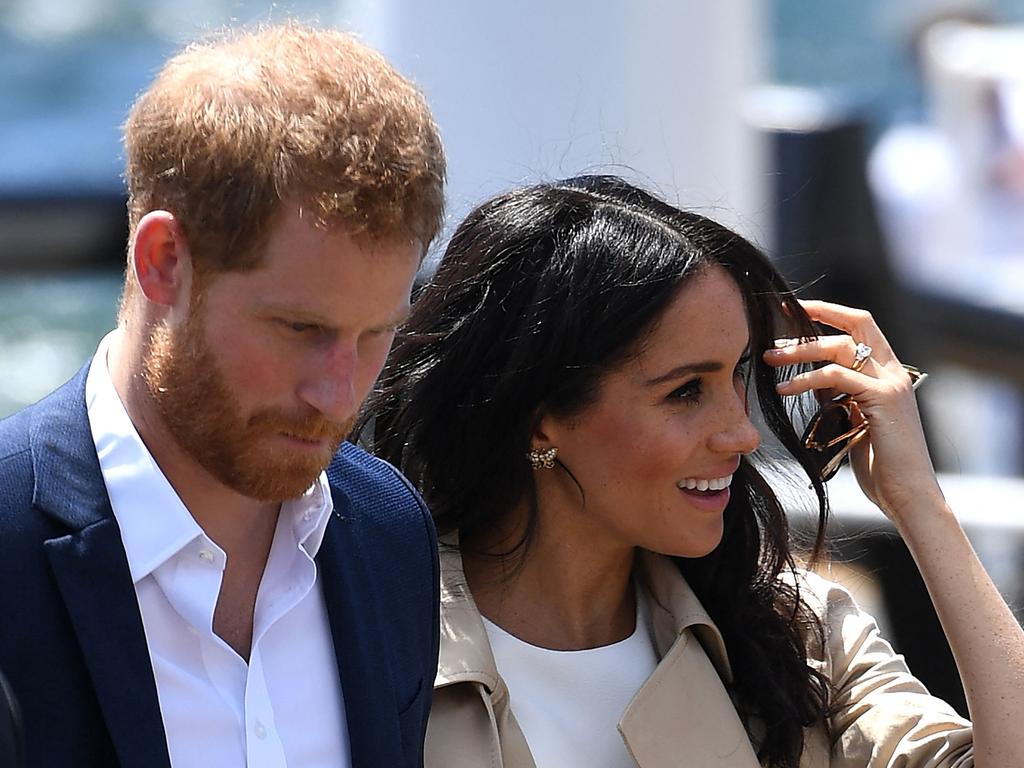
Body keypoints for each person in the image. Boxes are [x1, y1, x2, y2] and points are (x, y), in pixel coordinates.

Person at [364, 175, 1024, 767]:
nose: (741, 432)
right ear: (540, 417)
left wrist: (918, 503)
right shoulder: (370, 636)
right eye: (685, 392)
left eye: (738, 376)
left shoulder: (797, 639)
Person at [0, 23, 445, 768]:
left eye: (376, 335)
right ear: (164, 261)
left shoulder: (390, 535)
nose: (339, 392)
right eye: (301, 327)